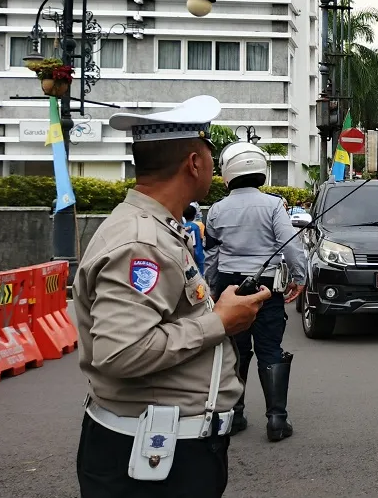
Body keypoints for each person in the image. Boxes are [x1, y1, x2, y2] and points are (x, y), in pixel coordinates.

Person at [74, 95, 271, 498]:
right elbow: (122, 351)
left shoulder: (155, 227)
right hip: (153, 460)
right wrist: (220, 322)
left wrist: (217, 311)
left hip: (161, 449)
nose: (215, 167)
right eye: (211, 155)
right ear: (194, 163)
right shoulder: (140, 242)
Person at [205, 142, 307, 442]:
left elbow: (211, 256)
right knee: (270, 349)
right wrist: (300, 277)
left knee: (234, 350)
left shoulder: (216, 210)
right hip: (266, 287)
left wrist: (212, 289)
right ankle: (277, 420)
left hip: (229, 288)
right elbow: (290, 245)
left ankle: (234, 415)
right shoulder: (274, 205)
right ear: (261, 171)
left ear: (227, 173)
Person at [184, 202, 206, 274]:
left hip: (187, 254)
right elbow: (198, 241)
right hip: (197, 253)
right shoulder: (196, 226)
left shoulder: (182, 226)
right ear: (194, 215)